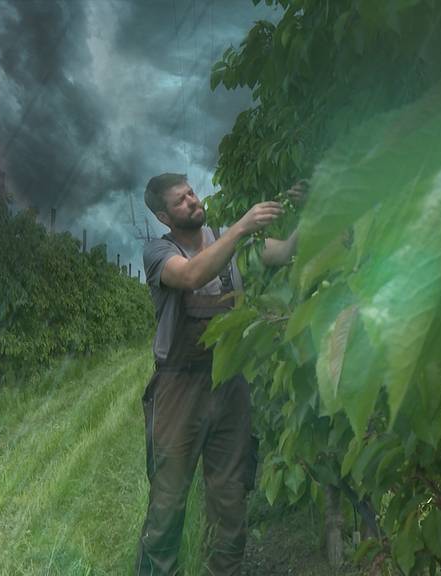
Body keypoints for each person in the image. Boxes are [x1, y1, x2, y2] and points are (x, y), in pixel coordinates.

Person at [136, 173, 302, 575]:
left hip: (229, 386)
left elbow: (283, 252)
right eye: (181, 201)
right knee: (168, 503)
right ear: (164, 216)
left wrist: (307, 210)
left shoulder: (228, 240)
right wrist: (243, 226)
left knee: (230, 498)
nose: (193, 201)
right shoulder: (159, 252)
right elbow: (192, 275)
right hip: (178, 388)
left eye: (192, 193)